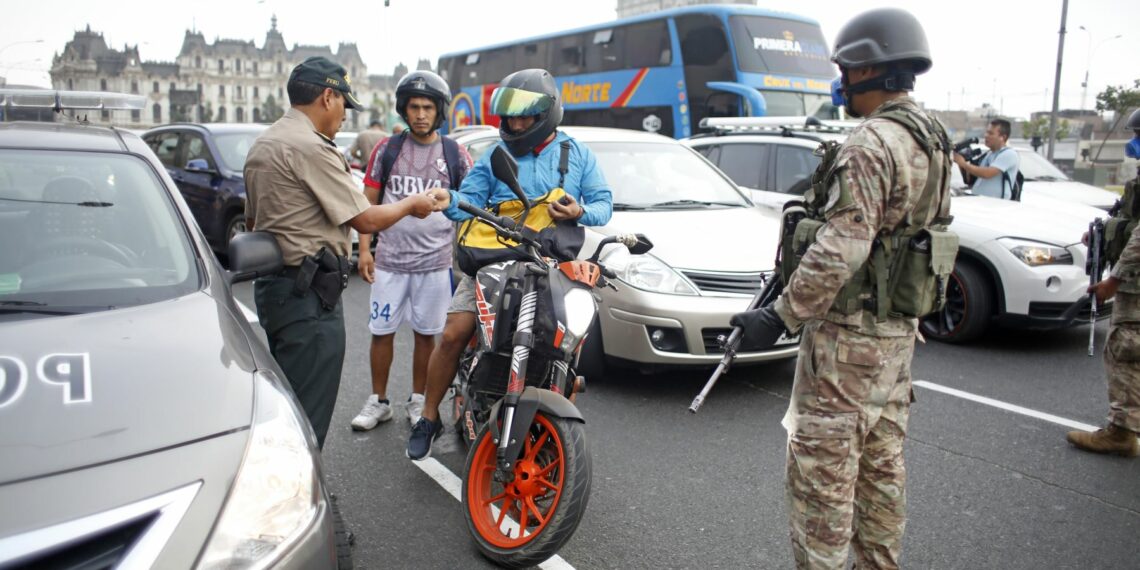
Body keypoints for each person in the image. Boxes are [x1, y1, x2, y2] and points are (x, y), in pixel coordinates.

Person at [730, 8, 953, 568]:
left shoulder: (871, 144)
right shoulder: (932, 139)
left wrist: (780, 315)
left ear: (866, 70)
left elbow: (843, 246)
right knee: (882, 478)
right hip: (896, 340)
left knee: (823, 487)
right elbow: (926, 236)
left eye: (845, 69)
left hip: (847, 347)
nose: (841, 81)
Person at [405, 68, 613, 461]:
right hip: (495, 259)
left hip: (550, 264)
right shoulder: (494, 156)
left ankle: (554, 425)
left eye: (524, 117)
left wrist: (579, 209)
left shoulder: (577, 154)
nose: (515, 124)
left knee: (566, 346)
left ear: (545, 114)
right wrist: (445, 200)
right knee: (453, 333)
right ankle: (428, 418)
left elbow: (604, 205)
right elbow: (465, 200)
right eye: (510, 117)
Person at [244, 56, 445, 449]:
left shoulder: (265, 142)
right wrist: (411, 205)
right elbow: (365, 218)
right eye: (343, 105)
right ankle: (302, 499)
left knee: (285, 404)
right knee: (306, 419)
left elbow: (255, 222)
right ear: (327, 96)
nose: (343, 117)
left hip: (277, 290)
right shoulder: (311, 148)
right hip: (309, 297)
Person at [350, 70, 473, 431]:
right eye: (414, 107)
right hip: (390, 261)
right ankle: (379, 401)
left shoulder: (456, 154)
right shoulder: (386, 150)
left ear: (439, 111)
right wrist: (364, 251)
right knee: (381, 330)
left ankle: (419, 400)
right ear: (404, 110)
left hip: (435, 265)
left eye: (428, 107)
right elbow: (366, 204)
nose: (420, 114)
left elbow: (470, 202)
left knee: (426, 334)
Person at [1067, 108, 1140, 458]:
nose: (1133, 142)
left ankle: (1121, 432)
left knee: (1125, 351)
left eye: (1138, 135)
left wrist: (1114, 279)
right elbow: (1126, 218)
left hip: (1135, 285)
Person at [955, 118, 1021, 199]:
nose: (986, 136)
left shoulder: (1009, 154)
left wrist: (963, 164)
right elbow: (971, 178)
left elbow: (987, 174)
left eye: (990, 133)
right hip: (981, 202)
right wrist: (961, 162)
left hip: (996, 205)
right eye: (986, 132)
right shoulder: (989, 154)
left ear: (1003, 137)